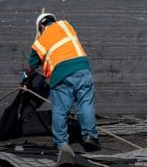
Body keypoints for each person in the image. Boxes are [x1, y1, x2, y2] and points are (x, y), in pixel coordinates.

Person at [25, 12, 100, 155]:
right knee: (85, 104)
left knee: (60, 110)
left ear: (41, 26)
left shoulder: (40, 41)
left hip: (61, 74)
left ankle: (61, 143)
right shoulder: (66, 25)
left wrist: (25, 75)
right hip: (82, 68)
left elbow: (32, 65)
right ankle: (91, 137)